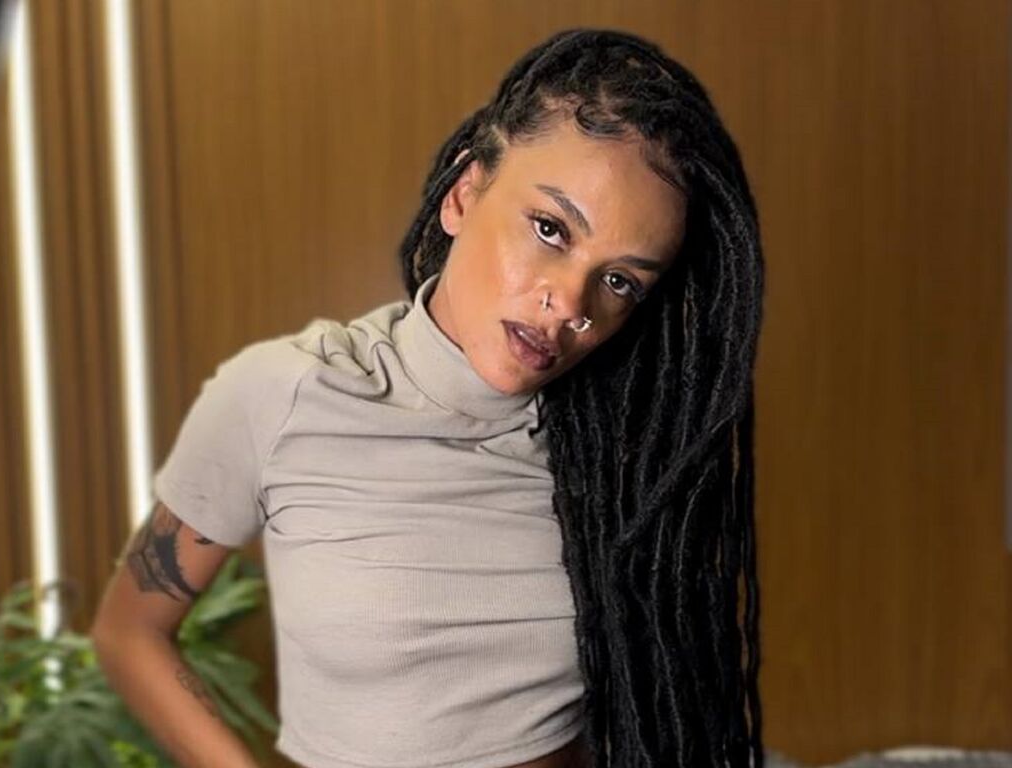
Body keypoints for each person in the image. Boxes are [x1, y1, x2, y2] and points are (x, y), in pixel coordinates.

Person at [92, 27, 765, 768]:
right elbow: (131, 632)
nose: (570, 303)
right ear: (464, 194)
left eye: (618, 281)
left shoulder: (620, 453)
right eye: (550, 229)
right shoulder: (281, 394)